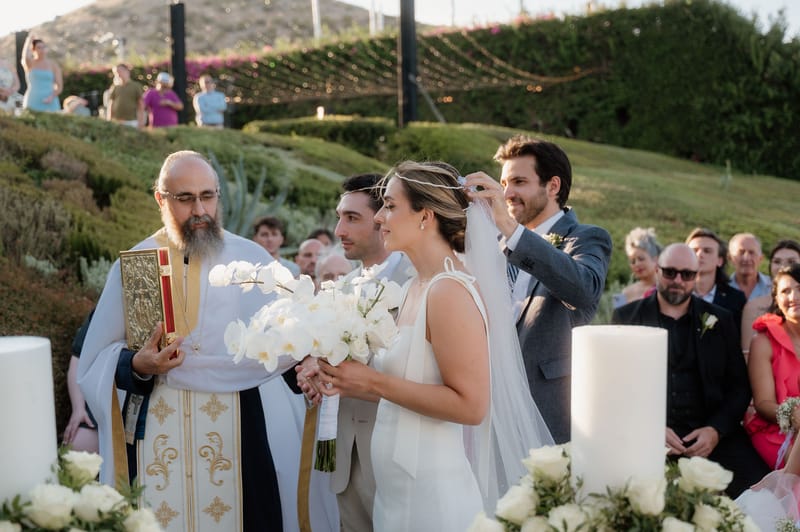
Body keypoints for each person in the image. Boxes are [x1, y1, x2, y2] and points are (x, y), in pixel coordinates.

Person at [77, 151, 318, 531]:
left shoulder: (252, 261)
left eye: (208, 196)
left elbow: (289, 347)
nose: (200, 209)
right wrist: (139, 365)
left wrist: (309, 366)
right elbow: (97, 359)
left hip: (240, 431)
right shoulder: (138, 263)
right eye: (185, 198)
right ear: (161, 199)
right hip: (157, 427)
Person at [317, 161, 553, 531]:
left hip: (431, 497)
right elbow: (412, 384)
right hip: (395, 491)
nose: (379, 217)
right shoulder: (416, 286)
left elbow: (472, 405)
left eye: (390, 206)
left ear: (425, 216)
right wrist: (341, 374)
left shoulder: (450, 290)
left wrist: (371, 383)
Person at [464, 135, 612, 444]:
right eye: (503, 183)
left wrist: (512, 231)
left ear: (553, 186)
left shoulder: (586, 238)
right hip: (490, 410)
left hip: (548, 406)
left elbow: (584, 289)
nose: (507, 194)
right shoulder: (496, 245)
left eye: (519, 182)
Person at [301, 172, 412, 531]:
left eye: (352, 218)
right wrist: (316, 372)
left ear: (383, 220)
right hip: (344, 456)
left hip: (396, 454)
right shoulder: (343, 287)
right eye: (339, 216)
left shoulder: (414, 283)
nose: (338, 229)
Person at [612, 243, 769, 497]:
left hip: (711, 437)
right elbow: (613, 386)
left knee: (761, 494)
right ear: (657, 270)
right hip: (646, 435)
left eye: (686, 274)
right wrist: (647, 427)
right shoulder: (627, 318)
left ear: (696, 277)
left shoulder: (721, 320)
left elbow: (739, 387)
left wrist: (715, 430)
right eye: (670, 272)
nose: (677, 280)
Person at [744, 264, 800, 471]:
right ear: (776, 299)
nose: (794, 296)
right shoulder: (763, 340)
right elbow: (764, 403)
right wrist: (792, 415)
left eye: (799, 288)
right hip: (775, 428)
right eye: (785, 291)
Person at [741, 240, 800, 353]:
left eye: (791, 261)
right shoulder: (754, 307)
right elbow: (748, 354)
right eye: (777, 261)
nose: (783, 266)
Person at [686, 227, 746, 335]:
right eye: (694, 250)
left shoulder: (736, 299)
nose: (700, 254)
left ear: (720, 261)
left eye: (707, 251)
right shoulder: (675, 294)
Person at [63, 310, 99, 453]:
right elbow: (77, 359)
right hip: (101, 401)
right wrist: (78, 409)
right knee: (76, 447)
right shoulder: (105, 307)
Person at [618, 226, 661, 306]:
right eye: (632, 261)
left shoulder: (666, 289)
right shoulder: (623, 294)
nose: (637, 264)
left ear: (655, 259)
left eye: (641, 259)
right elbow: (615, 317)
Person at [20, 34, 62, 112]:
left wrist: (51, 97)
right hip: (33, 100)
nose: (42, 50)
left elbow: (59, 86)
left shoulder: (53, 65)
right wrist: (28, 40)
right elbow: (25, 57)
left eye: (44, 47)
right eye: (39, 48)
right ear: (33, 50)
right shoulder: (30, 64)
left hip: (50, 101)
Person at [729, 232, 771, 301]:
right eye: (741, 252)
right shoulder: (720, 288)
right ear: (730, 258)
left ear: (760, 258)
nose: (746, 258)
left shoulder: (772, 288)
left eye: (752, 253)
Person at [107, 64, 144, 128]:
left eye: (119, 71)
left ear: (127, 71)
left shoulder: (136, 86)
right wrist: (109, 120)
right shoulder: (115, 87)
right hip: (116, 121)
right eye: (116, 73)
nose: (118, 74)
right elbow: (111, 104)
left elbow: (140, 105)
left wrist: (141, 121)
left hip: (131, 122)